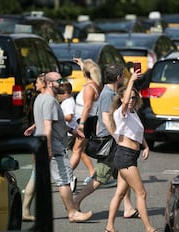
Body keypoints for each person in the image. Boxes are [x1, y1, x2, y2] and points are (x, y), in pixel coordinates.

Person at [23, 72, 93, 223]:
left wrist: (72, 131)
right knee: (64, 180)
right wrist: (49, 149)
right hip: (52, 146)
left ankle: (24, 211)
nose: (62, 83)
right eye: (59, 81)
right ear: (49, 83)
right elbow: (48, 126)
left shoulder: (40, 99)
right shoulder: (49, 101)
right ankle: (73, 212)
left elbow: (53, 121)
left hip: (41, 143)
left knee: (35, 177)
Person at [74, 64, 140, 219]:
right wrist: (118, 137)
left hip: (113, 140)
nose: (124, 78)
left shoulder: (111, 92)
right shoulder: (108, 94)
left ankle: (128, 207)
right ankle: (76, 201)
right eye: (123, 76)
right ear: (118, 78)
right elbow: (105, 118)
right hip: (109, 141)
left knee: (124, 174)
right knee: (101, 177)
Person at [104, 70, 157, 232]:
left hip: (130, 156)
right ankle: (148, 228)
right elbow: (126, 100)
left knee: (120, 194)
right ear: (121, 99)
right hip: (125, 156)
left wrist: (146, 146)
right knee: (141, 193)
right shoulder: (122, 113)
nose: (132, 100)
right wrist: (132, 80)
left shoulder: (133, 114)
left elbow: (138, 133)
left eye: (135, 97)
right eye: (129, 98)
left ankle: (109, 227)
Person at [71, 58, 102, 186]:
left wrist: (81, 125)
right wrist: (82, 64)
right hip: (89, 120)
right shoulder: (94, 83)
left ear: (85, 73)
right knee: (79, 150)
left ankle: (66, 177)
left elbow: (87, 106)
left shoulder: (89, 88)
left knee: (76, 150)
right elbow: (89, 74)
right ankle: (90, 173)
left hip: (86, 121)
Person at [58, 82, 78, 192]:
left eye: (60, 93)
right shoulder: (67, 101)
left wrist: (58, 116)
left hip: (68, 132)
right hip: (68, 132)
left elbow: (69, 117)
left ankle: (70, 178)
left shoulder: (68, 102)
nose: (58, 95)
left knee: (62, 156)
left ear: (66, 93)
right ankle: (68, 177)